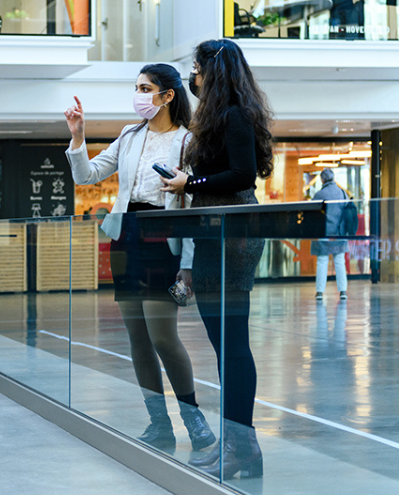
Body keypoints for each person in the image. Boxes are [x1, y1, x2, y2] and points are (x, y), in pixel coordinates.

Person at [64, 63, 215, 453]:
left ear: (168, 95)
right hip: (126, 236)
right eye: (137, 88)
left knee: (163, 336)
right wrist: (78, 137)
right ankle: (159, 423)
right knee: (137, 337)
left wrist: (189, 265)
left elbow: (194, 207)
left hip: (164, 240)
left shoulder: (189, 141)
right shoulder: (130, 135)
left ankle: (193, 419)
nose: (139, 95)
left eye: (146, 88)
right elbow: (87, 176)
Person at [161, 38, 273, 479]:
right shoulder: (221, 116)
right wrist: (192, 183)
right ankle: (239, 446)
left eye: (197, 67)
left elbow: (243, 174)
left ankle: (241, 447)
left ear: (214, 71)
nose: (194, 75)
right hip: (216, 236)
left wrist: (191, 182)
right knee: (226, 348)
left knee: (232, 348)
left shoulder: (234, 115)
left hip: (232, 238)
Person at [311, 168, 349, 301]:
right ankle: (343, 291)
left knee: (322, 261)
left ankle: (320, 292)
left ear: (322, 180)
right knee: (339, 262)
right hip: (339, 233)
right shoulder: (342, 193)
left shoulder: (319, 195)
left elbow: (312, 214)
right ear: (333, 179)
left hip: (324, 232)